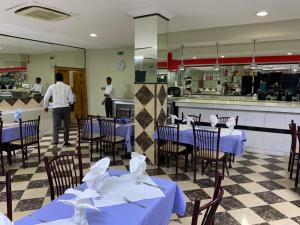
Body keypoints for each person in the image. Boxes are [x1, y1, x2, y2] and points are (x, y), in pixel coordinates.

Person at [44, 73, 74, 155]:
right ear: (62, 78)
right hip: (65, 108)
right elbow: (71, 100)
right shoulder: (68, 87)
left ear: (55, 79)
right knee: (66, 126)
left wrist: (45, 107)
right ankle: (66, 141)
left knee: (55, 127)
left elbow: (46, 98)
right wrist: (68, 102)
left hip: (56, 109)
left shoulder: (52, 87)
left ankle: (55, 143)